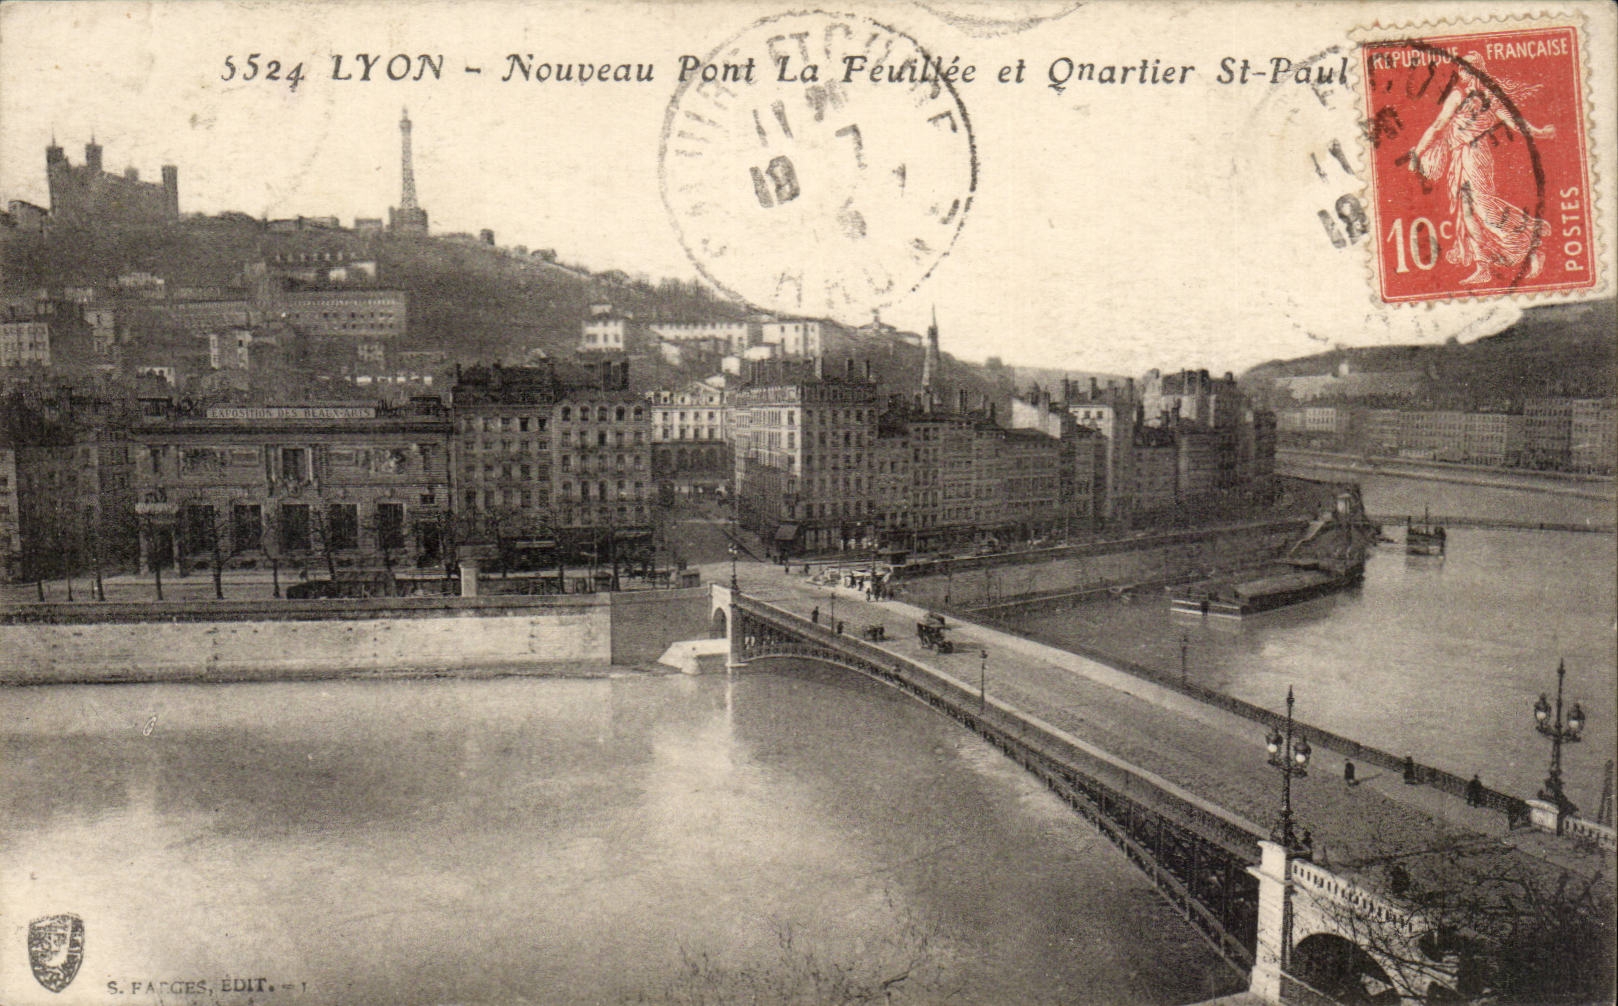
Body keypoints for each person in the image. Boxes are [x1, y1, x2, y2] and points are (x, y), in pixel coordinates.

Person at [1408, 52, 1555, 285]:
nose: (1463, 74)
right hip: (1458, 156)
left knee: (1486, 210)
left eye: (1467, 70)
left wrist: (1538, 132)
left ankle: (1531, 244)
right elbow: (1438, 125)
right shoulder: (1458, 95)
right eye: (1462, 70)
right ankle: (1483, 265)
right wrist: (1418, 152)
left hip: (1476, 156)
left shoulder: (1492, 98)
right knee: (1467, 213)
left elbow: (1514, 121)